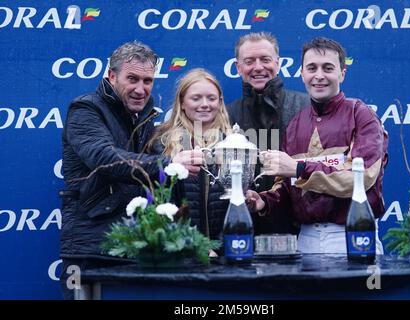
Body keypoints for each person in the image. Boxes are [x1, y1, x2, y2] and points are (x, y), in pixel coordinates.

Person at [59, 41, 203, 299]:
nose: (140, 89)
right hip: (89, 250)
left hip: (133, 245)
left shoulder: (146, 117)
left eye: (147, 81)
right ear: (112, 76)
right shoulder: (85, 109)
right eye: (132, 79)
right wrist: (168, 164)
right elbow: (104, 158)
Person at [246, 37, 388, 254]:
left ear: (342, 73)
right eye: (312, 68)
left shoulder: (361, 114)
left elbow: (362, 178)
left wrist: (300, 168)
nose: (319, 76)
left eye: (328, 68)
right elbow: (287, 188)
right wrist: (264, 202)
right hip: (306, 238)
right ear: (302, 73)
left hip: (353, 234)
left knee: (359, 290)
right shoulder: (294, 125)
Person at [227, 31, 309, 235]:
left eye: (265, 59)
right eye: (249, 61)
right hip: (244, 229)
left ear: (278, 63)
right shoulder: (226, 115)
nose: (258, 67)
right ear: (238, 67)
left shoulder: (306, 107)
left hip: (301, 231)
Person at [148, 68, 231, 245]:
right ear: (182, 103)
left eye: (211, 98)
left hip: (225, 251)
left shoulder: (234, 144)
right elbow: (160, 202)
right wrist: (192, 247)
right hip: (178, 248)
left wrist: (220, 247)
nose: (204, 104)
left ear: (220, 102)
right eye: (196, 98)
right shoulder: (161, 143)